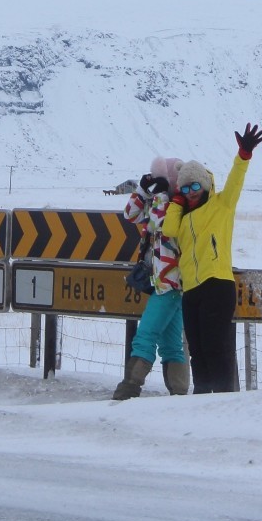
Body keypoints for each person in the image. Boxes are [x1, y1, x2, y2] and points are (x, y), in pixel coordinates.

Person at [162, 123, 262, 394]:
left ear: (205, 184)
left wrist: (243, 155)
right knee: (197, 352)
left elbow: (235, 180)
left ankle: (221, 403)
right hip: (192, 290)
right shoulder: (181, 219)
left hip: (217, 285)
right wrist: (177, 203)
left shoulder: (222, 204)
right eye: (185, 188)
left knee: (215, 348)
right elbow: (169, 229)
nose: (191, 192)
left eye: (195, 185)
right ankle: (201, 401)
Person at [114, 155, 188, 398]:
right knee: (171, 344)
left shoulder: (178, 204)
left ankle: (130, 385)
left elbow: (160, 224)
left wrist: (161, 196)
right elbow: (130, 215)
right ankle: (178, 393)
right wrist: (142, 191)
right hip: (162, 282)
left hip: (170, 280)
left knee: (146, 334)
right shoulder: (159, 200)